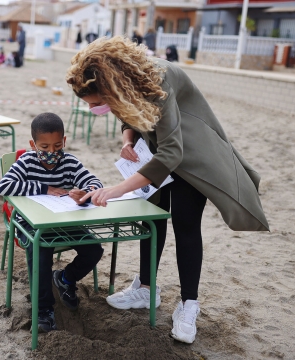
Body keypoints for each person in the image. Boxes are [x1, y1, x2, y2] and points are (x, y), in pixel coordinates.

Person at [66, 37, 269, 344]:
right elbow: (127, 113)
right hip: (156, 150)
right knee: (153, 218)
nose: (95, 108)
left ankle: (189, 305)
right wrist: (127, 142)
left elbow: (172, 153)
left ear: (111, 85)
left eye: (96, 102)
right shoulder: (122, 85)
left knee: (186, 225)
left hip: (191, 154)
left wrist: (117, 189)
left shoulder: (158, 78)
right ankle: (146, 289)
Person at [0, 112, 104, 333]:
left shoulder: (70, 162)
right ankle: (43, 308)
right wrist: (44, 188)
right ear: (33, 144)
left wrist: (87, 191)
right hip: (30, 225)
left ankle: (65, 278)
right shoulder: (26, 162)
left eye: (57, 146)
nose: (51, 153)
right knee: (40, 252)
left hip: (62, 221)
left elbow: (94, 182)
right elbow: (4, 187)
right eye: (44, 148)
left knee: (94, 249)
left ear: (64, 141)